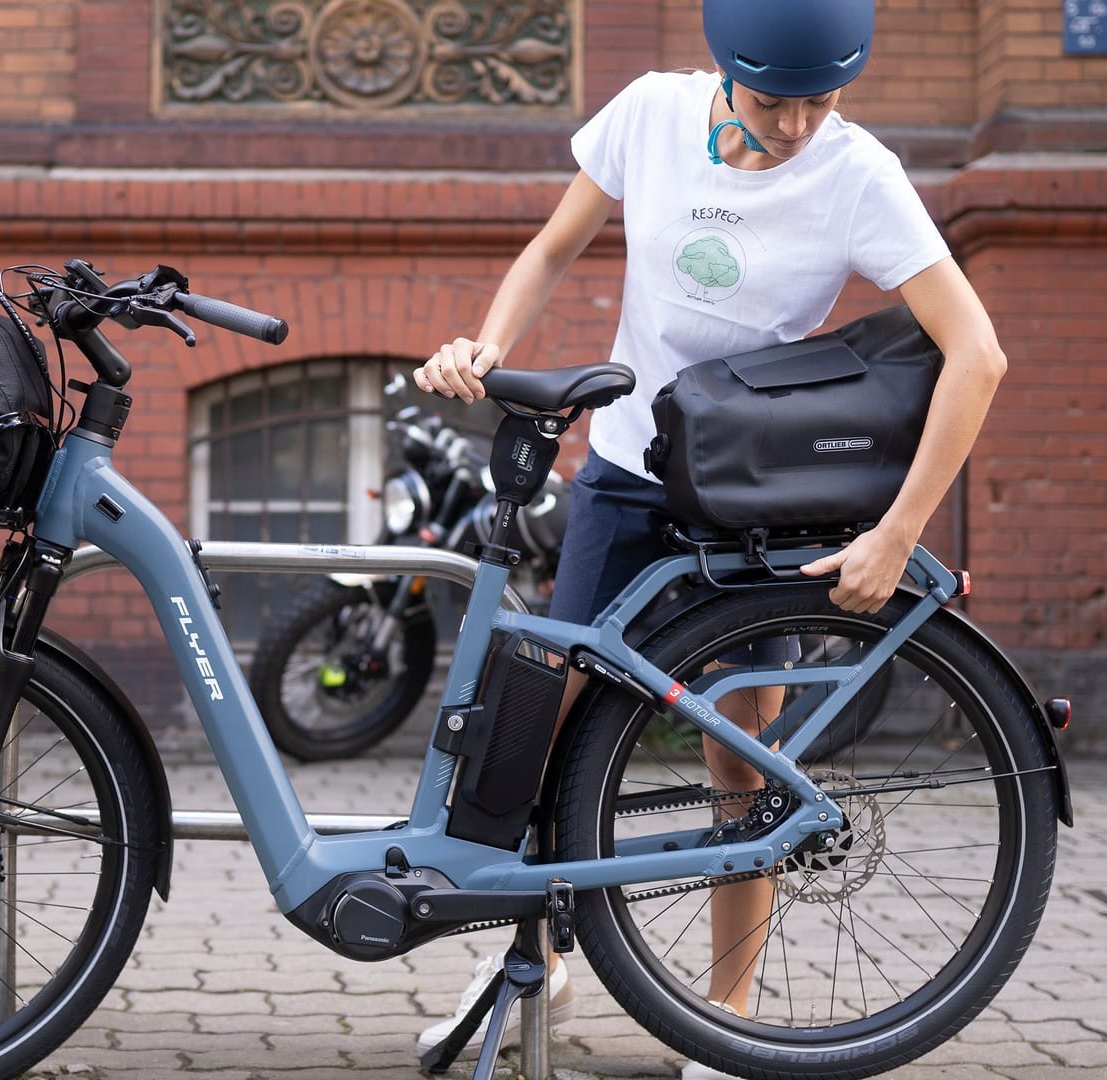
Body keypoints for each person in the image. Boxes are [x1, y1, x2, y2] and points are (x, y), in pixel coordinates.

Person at [410, 0, 1008, 1074]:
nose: (796, 126)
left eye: (823, 100)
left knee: (747, 758)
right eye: (776, 99)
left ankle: (725, 1023)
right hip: (626, 470)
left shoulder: (858, 174)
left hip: (757, 503)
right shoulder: (649, 114)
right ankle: (532, 964)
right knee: (549, 727)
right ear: (726, 68)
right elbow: (553, 249)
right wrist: (487, 343)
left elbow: (978, 355)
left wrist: (894, 531)